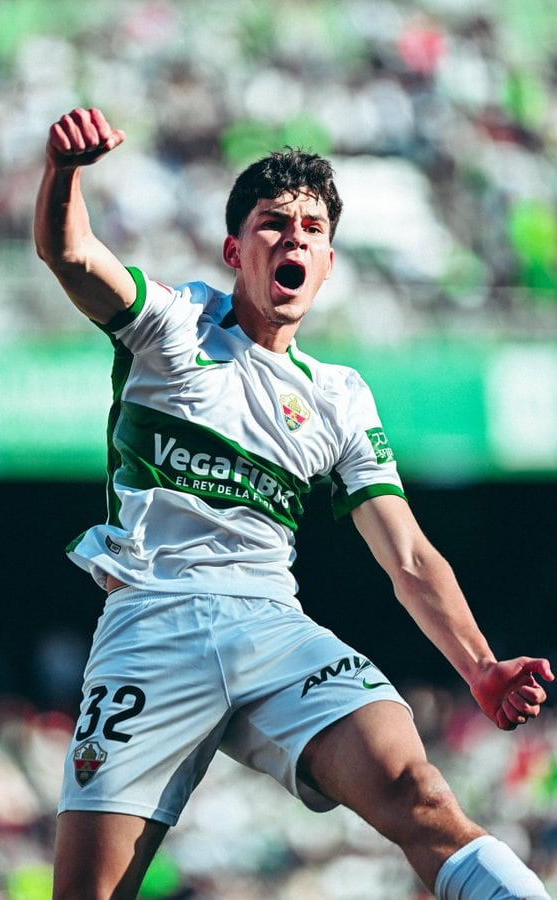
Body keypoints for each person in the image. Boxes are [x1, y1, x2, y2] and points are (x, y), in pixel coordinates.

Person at [35, 107, 554, 900]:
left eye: (311, 226)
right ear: (234, 251)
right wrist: (65, 171)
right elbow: (69, 253)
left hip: (271, 630)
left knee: (420, 795)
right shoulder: (174, 328)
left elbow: (408, 555)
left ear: (328, 260)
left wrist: (479, 667)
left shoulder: (340, 396)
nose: (294, 237)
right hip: (152, 627)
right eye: (274, 224)